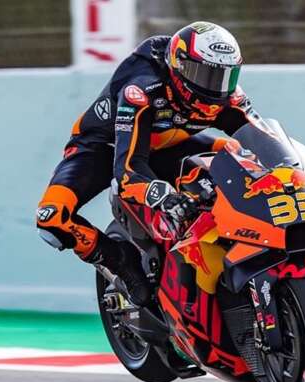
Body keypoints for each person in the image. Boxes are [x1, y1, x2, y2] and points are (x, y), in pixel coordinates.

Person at [36, 22, 264, 306]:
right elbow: (128, 172)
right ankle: (118, 260)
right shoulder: (142, 88)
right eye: (204, 74)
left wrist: (294, 169)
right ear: (179, 67)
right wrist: (163, 196)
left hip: (168, 144)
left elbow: (264, 138)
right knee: (51, 218)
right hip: (103, 147)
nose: (214, 87)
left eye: (224, 76)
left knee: (237, 153)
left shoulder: (228, 96)